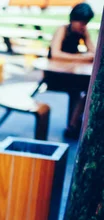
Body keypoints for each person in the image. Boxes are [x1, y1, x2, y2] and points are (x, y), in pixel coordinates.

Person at [48, 2, 95, 138]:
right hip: (55, 75)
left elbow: (93, 53)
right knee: (81, 90)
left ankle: (73, 124)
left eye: (86, 23)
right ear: (73, 19)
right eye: (81, 22)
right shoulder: (62, 30)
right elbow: (55, 54)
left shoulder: (82, 32)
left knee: (89, 88)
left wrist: (86, 37)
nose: (83, 26)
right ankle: (74, 124)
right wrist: (81, 57)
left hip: (72, 74)